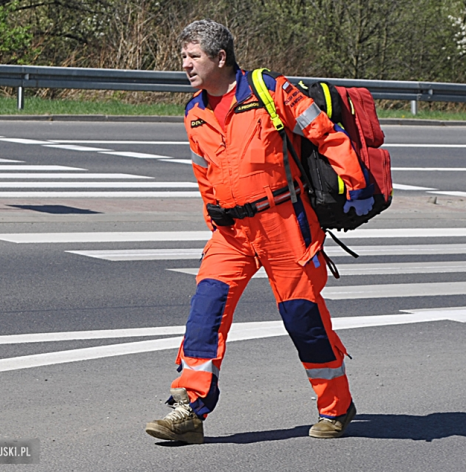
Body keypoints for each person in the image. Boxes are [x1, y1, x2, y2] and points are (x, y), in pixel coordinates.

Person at [145, 19, 374, 444]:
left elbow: (325, 135)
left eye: (193, 56)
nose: (185, 64)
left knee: (302, 318)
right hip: (231, 232)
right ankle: (189, 411)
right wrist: (212, 218)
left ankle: (336, 407)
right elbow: (204, 171)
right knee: (205, 312)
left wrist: (356, 184)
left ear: (220, 57)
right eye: (183, 56)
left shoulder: (269, 91)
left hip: (284, 224)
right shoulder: (194, 112)